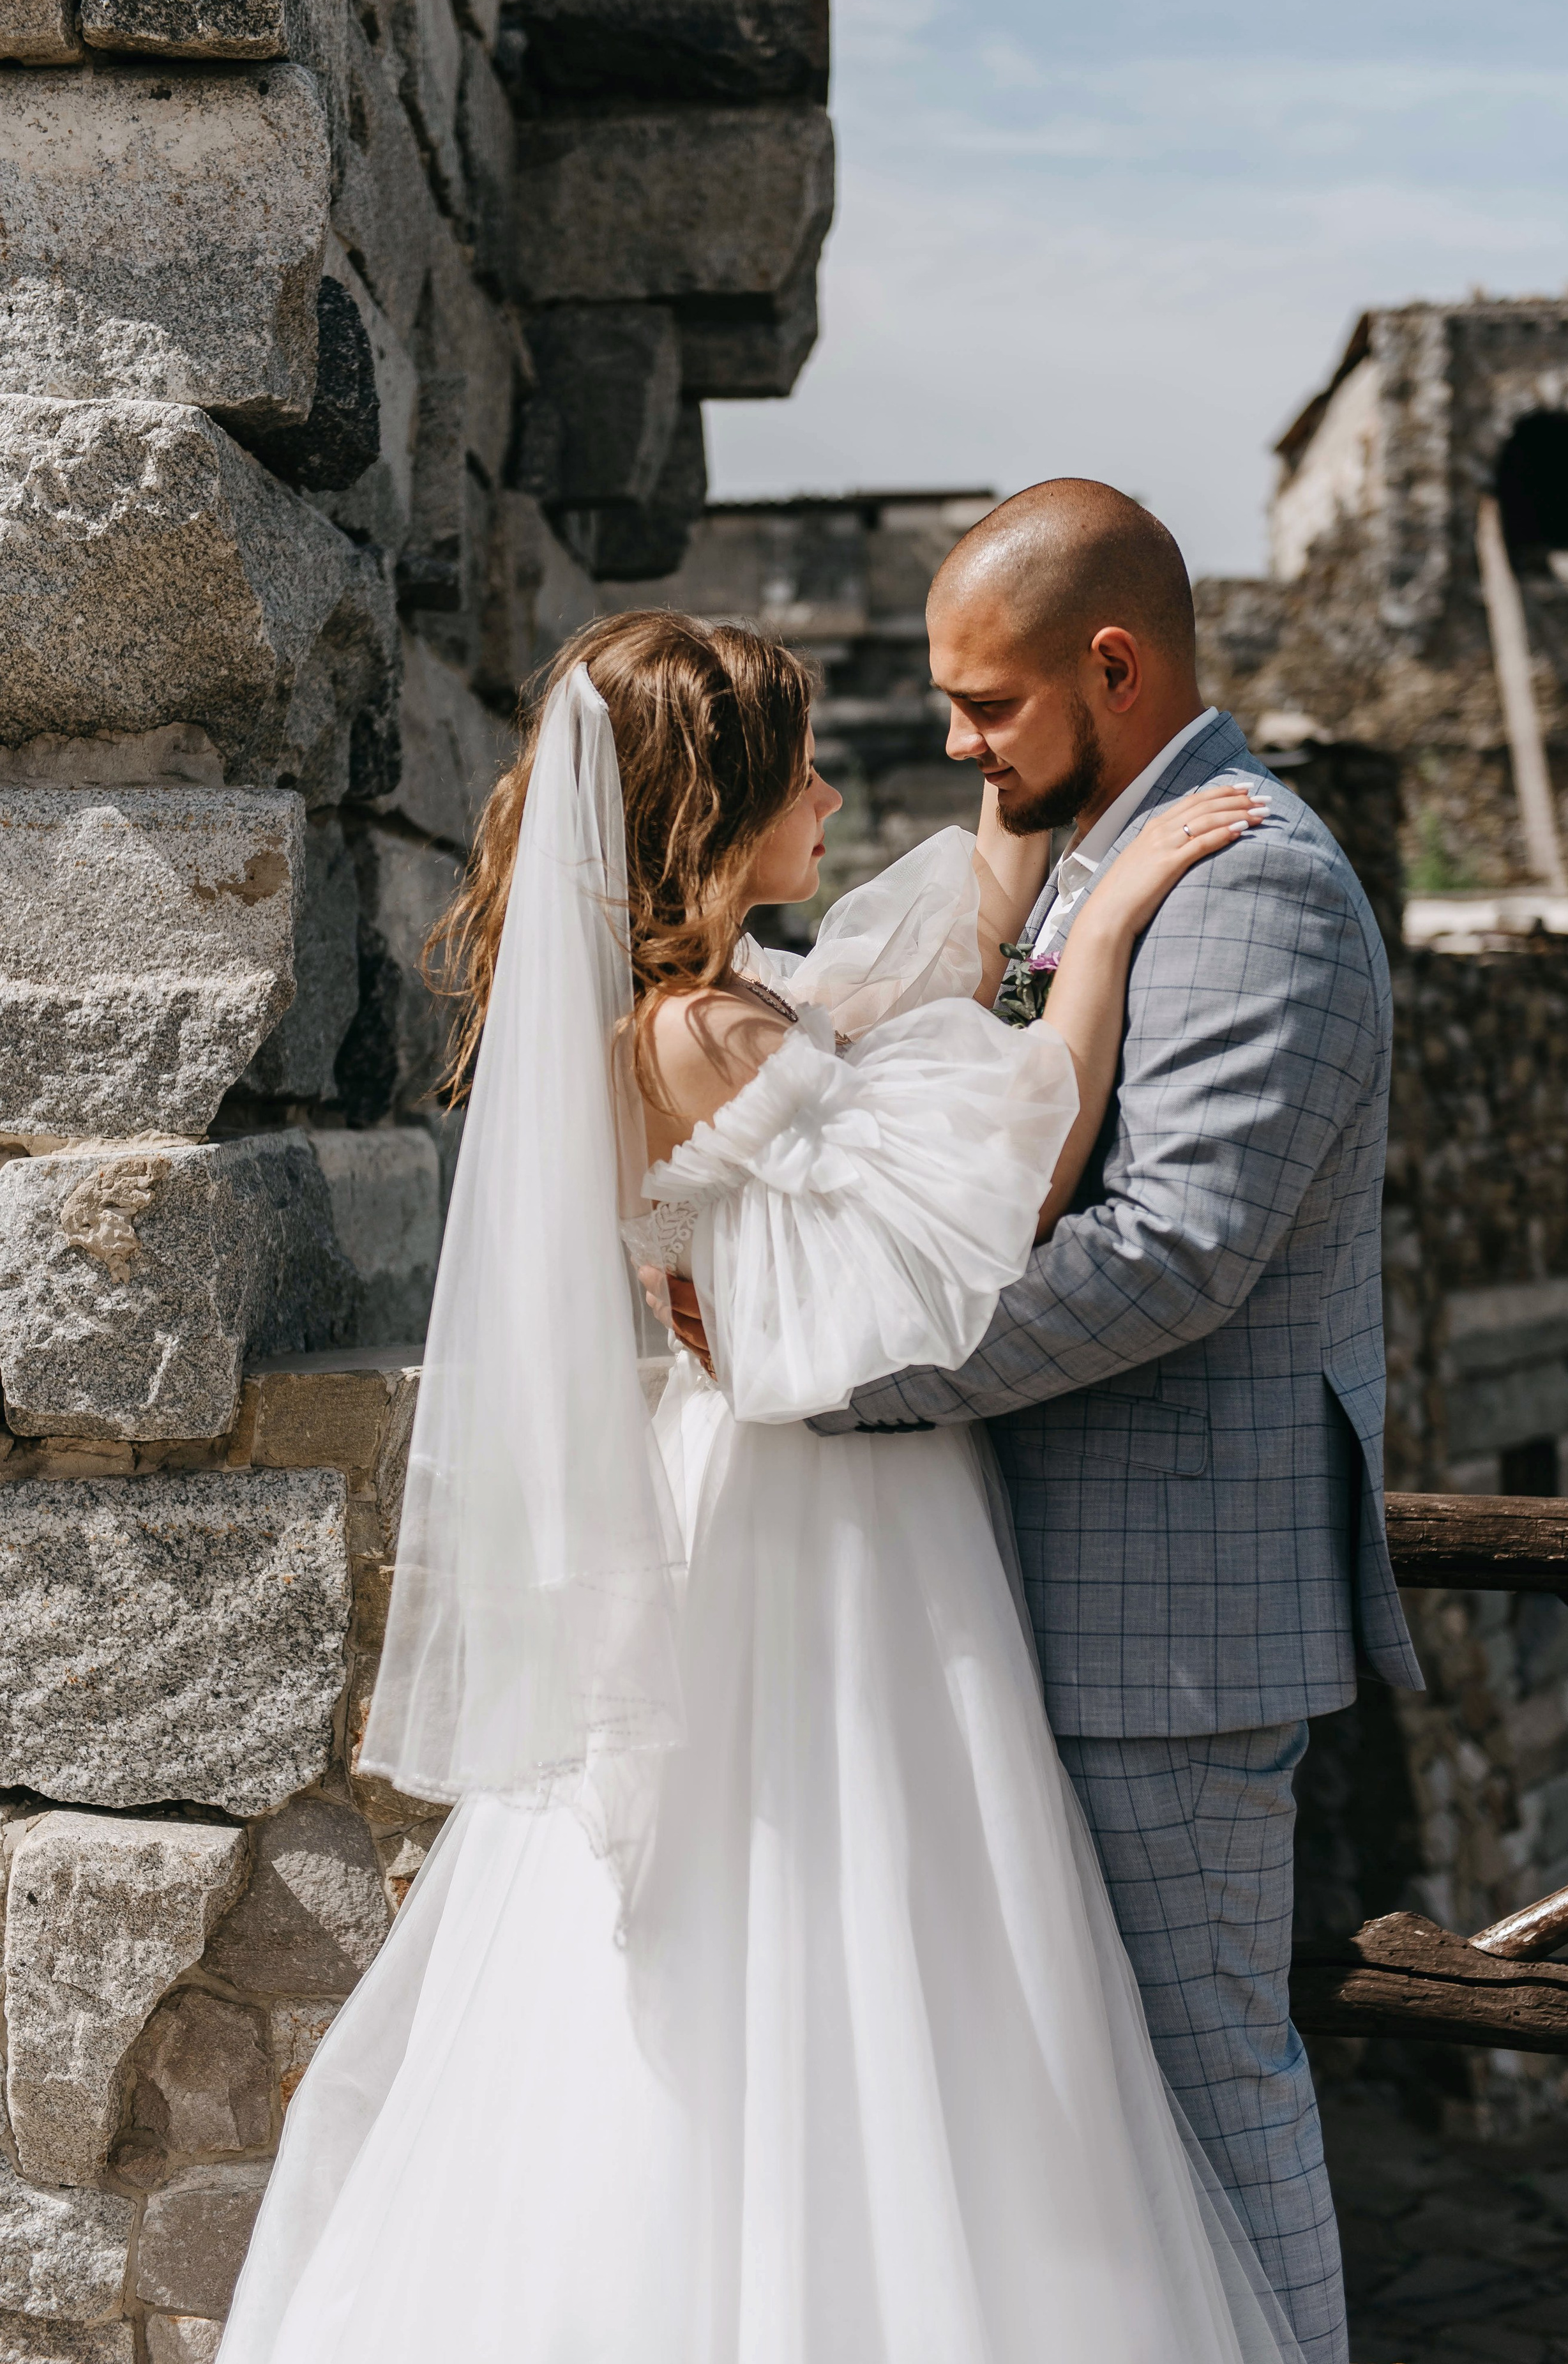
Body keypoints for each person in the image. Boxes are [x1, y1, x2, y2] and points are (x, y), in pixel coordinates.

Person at [217, 605, 1300, 2364]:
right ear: (713, 814)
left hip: (748, 1489)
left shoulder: (711, 1006)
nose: (829, 788)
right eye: (795, 768)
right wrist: (1099, 938)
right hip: (831, 1526)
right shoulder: (706, 1031)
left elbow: (891, 991)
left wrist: (1029, 853)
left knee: (818, 1927)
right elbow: (1010, 1170)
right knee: (857, 1904)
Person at [701, 478, 1419, 2364]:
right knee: (1063, 2146)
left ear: (1116, 667)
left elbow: (1172, 1250)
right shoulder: (1080, 855)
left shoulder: (1255, 880)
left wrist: (823, 1363)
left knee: (1205, 2103)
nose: (949, 743)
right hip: (1026, 1606)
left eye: (988, 705)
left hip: (1165, 1631)